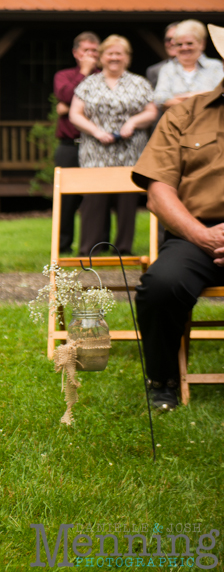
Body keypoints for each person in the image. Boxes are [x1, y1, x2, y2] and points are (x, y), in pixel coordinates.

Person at [132, 23, 224, 411]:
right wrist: (203, 236)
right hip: (196, 235)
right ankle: (163, 379)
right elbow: (158, 192)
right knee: (161, 285)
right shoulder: (184, 114)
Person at [69, 35, 158, 257]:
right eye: (110, 53)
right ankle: (89, 251)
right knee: (94, 203)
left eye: (120, 53)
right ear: (101, 57)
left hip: (130, 152)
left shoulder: (139, 83)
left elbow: (152, 111)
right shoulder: (89, 83)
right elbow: (74, 114)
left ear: (127, 57)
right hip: (95, 152)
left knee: (127, 204)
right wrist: (96, 131)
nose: (114, 57)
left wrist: (133, 122)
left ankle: (123, 250)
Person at [53, 32, 100, 254]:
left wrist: (67, 105)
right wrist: (84, 72)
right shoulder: (64, 75)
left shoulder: (104, 77)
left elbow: (72, 103)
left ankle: (97, 244)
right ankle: (62, 246)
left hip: (98, 146)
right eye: (86, 51)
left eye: (94, 51)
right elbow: (64, 93)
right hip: (69, 146)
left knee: (98, 197)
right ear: (76, 53)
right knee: (66, 200)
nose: (91, 55)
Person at [153, 19, 224, 111]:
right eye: (179, 44)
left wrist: (183, 97)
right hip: (177, 121)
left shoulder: (215, 66)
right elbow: (160, 100)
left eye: (189, 43)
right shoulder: (167, 69)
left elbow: (220, 94)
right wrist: (201, 97)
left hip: (209, 121)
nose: (184, 48)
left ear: (202, 44)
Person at [146, 22, 179, 89]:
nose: (172, 43)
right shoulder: (154, 71)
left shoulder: (203, 67)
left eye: (176, 38)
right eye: (168, 40)